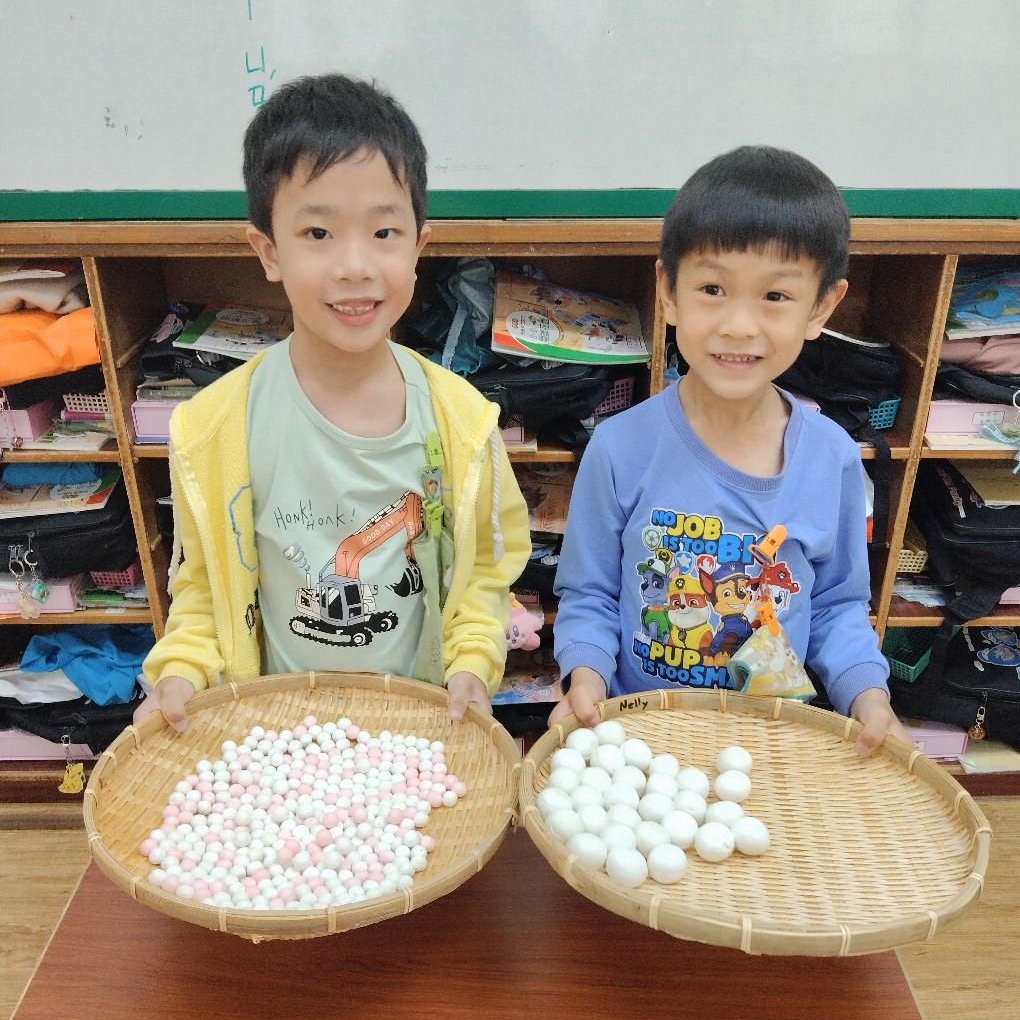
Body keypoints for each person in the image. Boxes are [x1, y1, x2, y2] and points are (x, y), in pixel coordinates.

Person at [135, 73, 530, 731]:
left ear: (419, 246)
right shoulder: (216, 429)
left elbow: (484, 576)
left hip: (414, 729)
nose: (355, 265)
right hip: (277, 733)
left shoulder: (462, 424)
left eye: (384, 233)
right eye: (318, 233)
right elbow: (203, 593)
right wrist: (178, 673)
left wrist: (472, 664)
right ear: (269, 253)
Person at [551, 144, 911, 756]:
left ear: (821, 307)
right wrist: (584, 677)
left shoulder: (832, 458)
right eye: (713, 288)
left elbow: (836, 605)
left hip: (772, 741)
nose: (739, 325)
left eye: (775, 297)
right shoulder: (619, 446)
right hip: (641, 737)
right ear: (669, 291)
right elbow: (590, 594)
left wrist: (869, 697)